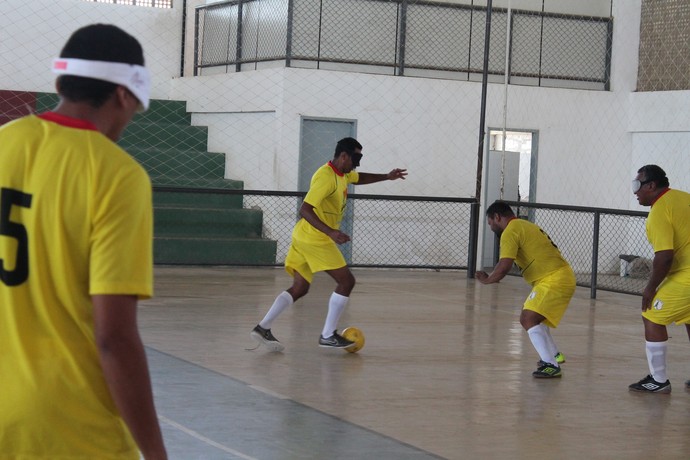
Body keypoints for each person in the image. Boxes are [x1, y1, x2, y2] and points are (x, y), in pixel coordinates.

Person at [0, 24, 167, 459]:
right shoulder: (117, 176)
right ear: (125, 95)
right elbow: (114, 337)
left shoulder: (4, 142)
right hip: (69, 426)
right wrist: (155, 452)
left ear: (60, 83)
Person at [251, 137, 407, 351]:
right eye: (355, 158)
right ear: (343, 156)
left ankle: (263, 327)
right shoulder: (326, 177)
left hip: (302, 236)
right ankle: (327, 335)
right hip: (316, 238)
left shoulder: (342, 173)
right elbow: (305, 209)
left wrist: (387, 177)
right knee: (346, 282)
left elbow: (358, 178)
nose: (356, 164)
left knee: (300, 287)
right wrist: (331, 232)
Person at [476, 201, 575, 378]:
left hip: (554, 278)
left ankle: (550, 365)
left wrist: (489, 279)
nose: (491, 229)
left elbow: (505, 264)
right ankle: (554, 355)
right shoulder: (524, 225)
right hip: (557, 277)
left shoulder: (510, 230)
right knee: (536, 317)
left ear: (497, 217)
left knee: (527, 318)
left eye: (491, 223)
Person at [628, 165, 690, 394]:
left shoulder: (659, 211)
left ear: (651, 186)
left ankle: (659, 379)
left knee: (652, 314)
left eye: (637, 186)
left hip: (687, 275)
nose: (635, 192)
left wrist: (650, 288)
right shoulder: (683, 198)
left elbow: (664, 257)